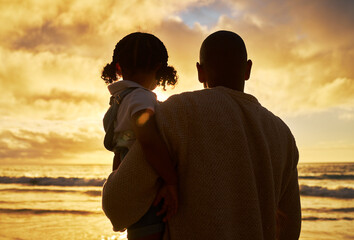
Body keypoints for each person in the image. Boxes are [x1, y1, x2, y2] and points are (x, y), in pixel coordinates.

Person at [102, 30, 301, 240]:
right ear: (248, 69)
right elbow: (289, 227)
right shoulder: (283, 134)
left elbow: (118, 204)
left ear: (200, 71)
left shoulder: (177, 113)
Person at [101, 32, 179, 240]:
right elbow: (148, 141)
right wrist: (171, 181)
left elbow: (121, 148)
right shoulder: (140, 97)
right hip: (144, 191)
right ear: (158, 67)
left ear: (118, 67)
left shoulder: (119, 100)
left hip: (127, 185)